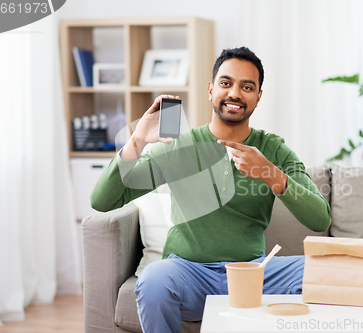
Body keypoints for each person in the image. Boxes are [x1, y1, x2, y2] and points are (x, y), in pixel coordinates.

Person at [90, 46, 331, 333]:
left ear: (258, 97)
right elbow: (102, 201)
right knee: (154, 279)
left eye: (247, 87)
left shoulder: (273, 150)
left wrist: (269, 172)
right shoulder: (179, 145)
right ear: (211, 89)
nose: (235, 94)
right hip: (188, 273)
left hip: (251, 275)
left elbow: (320, 220)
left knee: (324, 271)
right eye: (226, 83)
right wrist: (139, 139)